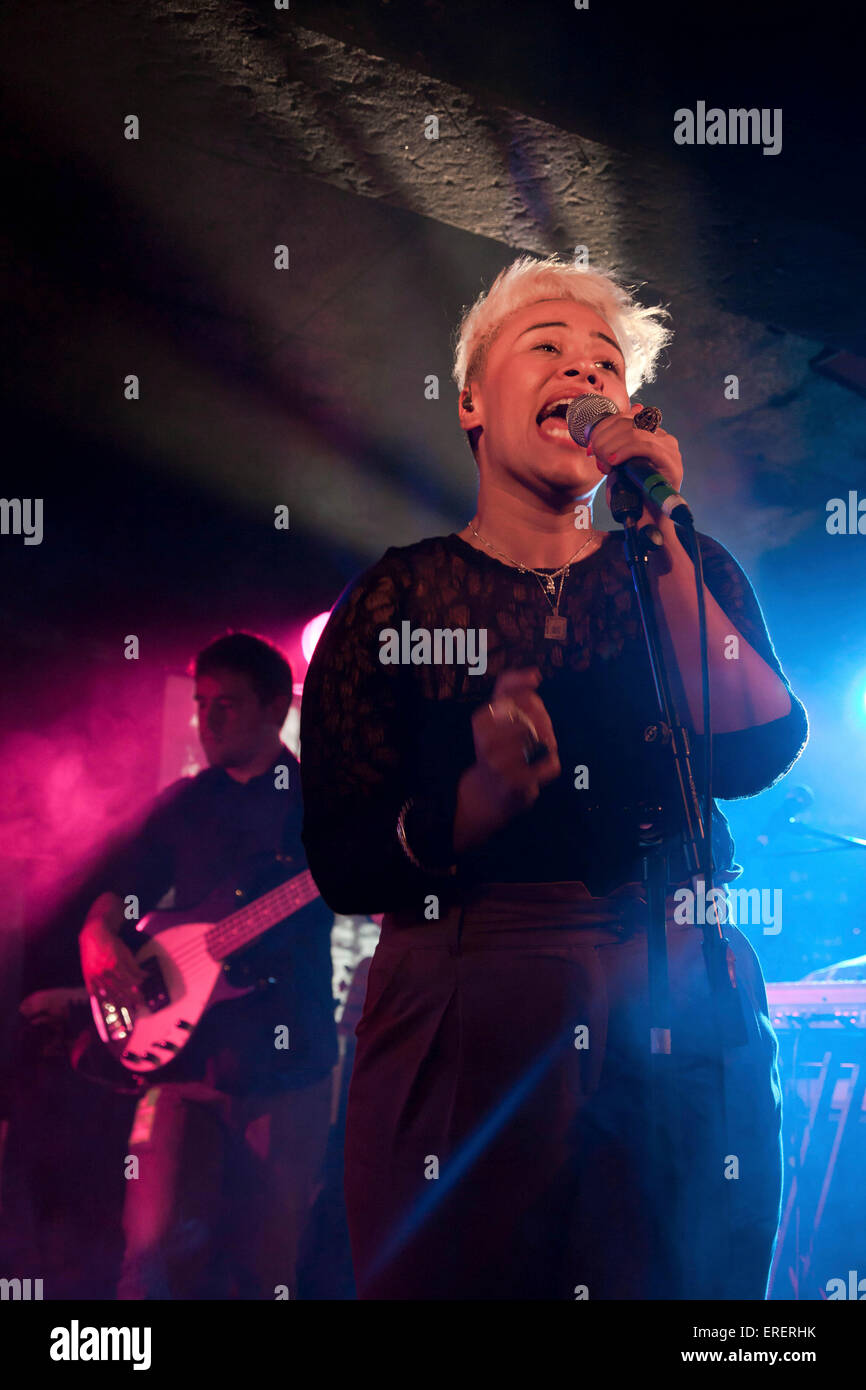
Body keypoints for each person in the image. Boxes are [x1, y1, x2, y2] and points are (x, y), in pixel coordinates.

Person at [299, 253, 809, 1300]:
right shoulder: (399, 597)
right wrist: (465, 812)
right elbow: (342, 857)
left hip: (676, 992)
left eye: (605, 364)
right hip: (467, 999)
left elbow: (754, 748)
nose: (583, 373)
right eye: (548, 348)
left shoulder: (679, 560)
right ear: (474, 402)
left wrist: (659, 527)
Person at [79, 632, 338, 1299]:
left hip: (289, 1060)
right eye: (201, 702)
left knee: (272, 1257)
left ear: (277, 708)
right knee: (151, 1249)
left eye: (228, 703)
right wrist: (98, 930)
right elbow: (127, 884)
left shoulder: (323, 802)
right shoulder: (187, 803)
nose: (208, 719)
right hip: (188, 1060)